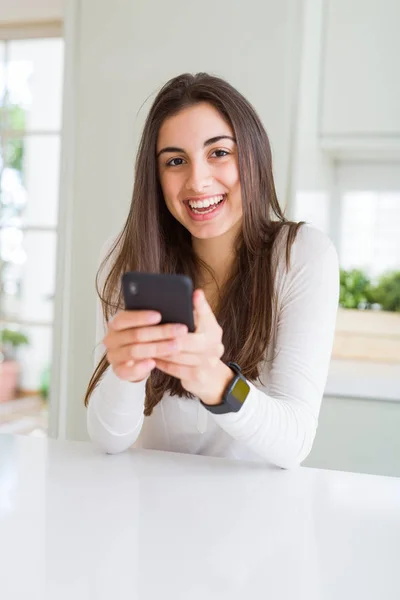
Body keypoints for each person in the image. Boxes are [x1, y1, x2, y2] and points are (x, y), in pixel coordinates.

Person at [84, 73, 339, 468]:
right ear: (155, 177)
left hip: (256, 516)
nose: (198, 181)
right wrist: (126, 374)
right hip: (151, 510)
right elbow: (109, 440)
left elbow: (295, 443)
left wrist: (216, 381)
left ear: (253, 155)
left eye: (219, 153)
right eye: (175, 161)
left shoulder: (301, 255)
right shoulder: (124, 257)